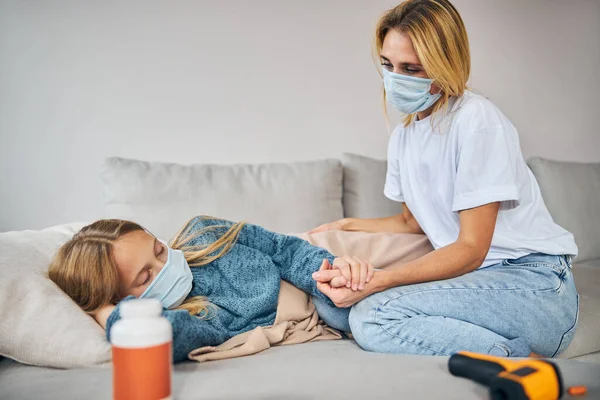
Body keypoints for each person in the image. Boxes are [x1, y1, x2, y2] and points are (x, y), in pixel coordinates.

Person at [310, 0, 579, 358]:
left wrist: (381, 280)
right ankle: (459, 331)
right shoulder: (403, 138)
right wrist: (347, 225)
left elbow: (471, 248)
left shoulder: (476, 120)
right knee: (331, 304)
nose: (395, 79)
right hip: (476, 282)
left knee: (372, 315)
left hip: (533, 284)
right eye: (388, 66)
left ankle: (521, 362)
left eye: (411, 69)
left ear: (444, 65)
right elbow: (411, 222)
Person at [48, 216, 372, 362]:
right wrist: (105, 311)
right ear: (124, 301)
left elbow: (283, 249)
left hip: (329, 258)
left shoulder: (205, 234)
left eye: (158, 251)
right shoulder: (195, 319)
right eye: (145, 278)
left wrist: (332, 272)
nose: (165, 267)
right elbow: (158, 338)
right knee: (360, 320)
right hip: (322, 310)